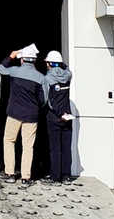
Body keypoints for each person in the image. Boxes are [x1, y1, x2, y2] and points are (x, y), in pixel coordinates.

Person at [0, 44, 48, 188]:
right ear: (34, 61)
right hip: (31, 116)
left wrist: (11, 56)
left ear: (22, 60)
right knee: (28, 146)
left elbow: (1, 69)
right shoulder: (41, 78)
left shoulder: (14, 71)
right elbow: (44, 100)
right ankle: (26, 177)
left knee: (9, 141)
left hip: (14, 113)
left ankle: (10, 174)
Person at [40, 50, 74, 186]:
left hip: (55, 117)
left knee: (55, 149)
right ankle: (66, 176)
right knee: (66, 148)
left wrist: (60, 114)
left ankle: (55, 178)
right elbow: (66, 68)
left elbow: (49, 101)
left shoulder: (47, 79)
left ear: (49, 64)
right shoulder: (68, 76)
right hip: (68, 116)